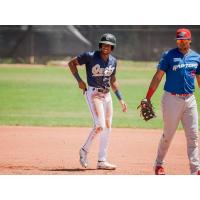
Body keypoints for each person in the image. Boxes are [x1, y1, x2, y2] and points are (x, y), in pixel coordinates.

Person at [143, 28, 200, 175]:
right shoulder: (168, 55)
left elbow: (199, 80)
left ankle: (195, 170)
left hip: (190, 99)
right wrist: (148, 96)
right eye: (179, 40)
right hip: (171, 99)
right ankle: (158, 164)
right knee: (168, 135)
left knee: (193, 135)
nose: (181, 42)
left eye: (184, 40)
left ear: (190, 40)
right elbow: (158, 77)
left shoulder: (196, 58)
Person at [68, 33, 127, 170]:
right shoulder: (90, 56)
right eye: (104, 44)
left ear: (112, 47)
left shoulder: (113, 61)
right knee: (100, 125)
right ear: (100, 45)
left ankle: (102, 160)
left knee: (107, 127)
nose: (106, 47)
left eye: (109, 45)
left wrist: (120, 98)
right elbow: (71, 63)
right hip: (94, 94)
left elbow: (113, 80)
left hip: (107, 96)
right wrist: (79, 81)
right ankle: (84, 150)